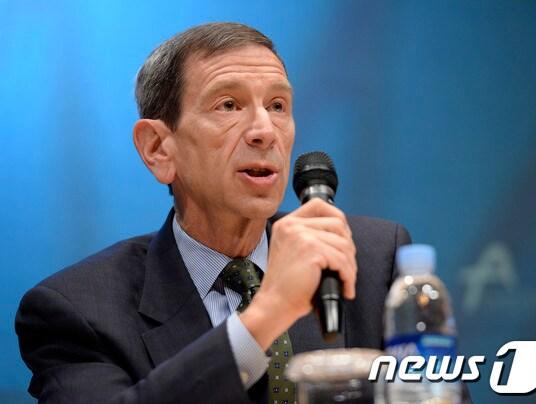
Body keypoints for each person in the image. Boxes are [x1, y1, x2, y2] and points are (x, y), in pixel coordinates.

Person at [16, 22, 411, 403]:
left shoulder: (372, 259)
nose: (265, 131)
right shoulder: (79, 312)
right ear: (158, 148)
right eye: (228, 105)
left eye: (277, 105)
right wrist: (268, 312)